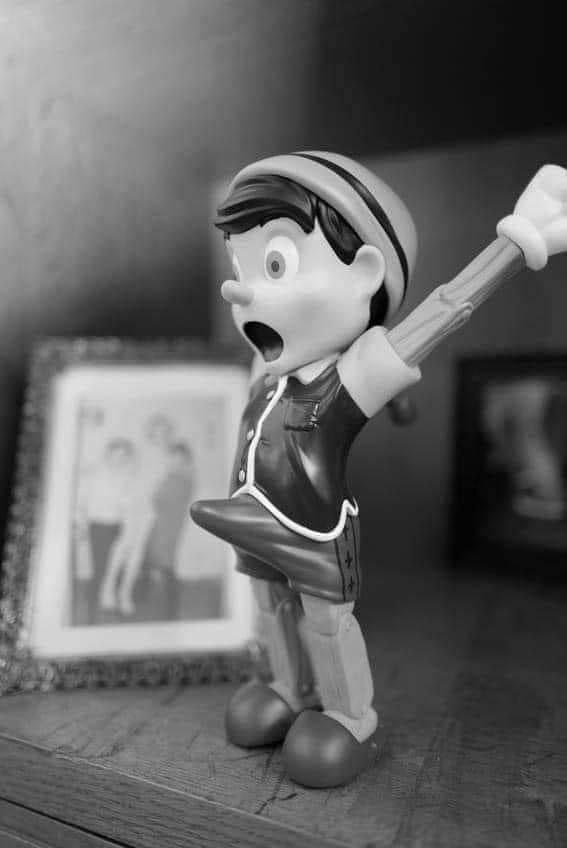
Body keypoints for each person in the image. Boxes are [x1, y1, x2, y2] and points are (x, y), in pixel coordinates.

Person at [191, 152, 567, 787]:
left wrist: (516, 242)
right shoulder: (267, 370)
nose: (240, 290)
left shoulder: (353, 375)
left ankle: (350, 718)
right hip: (251, 524)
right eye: (240, 267)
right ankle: (289, 689)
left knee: (324, 621)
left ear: (366, 274)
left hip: (313, 531)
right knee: (268, 606)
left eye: (275, 264)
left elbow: (446, 309)